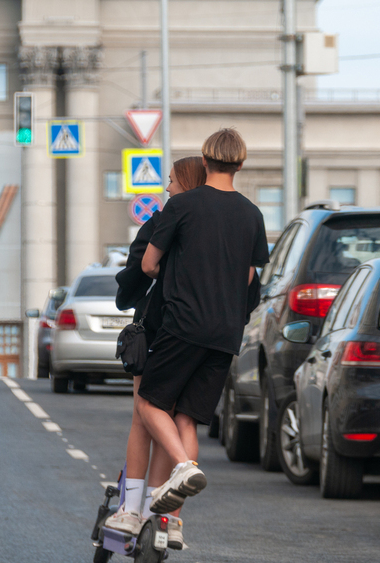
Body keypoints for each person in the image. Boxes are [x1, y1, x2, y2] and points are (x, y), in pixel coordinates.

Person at [135, 129, 268, 522]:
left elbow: (148, 265)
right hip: (227, 331)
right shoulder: (252, 214)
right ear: (240, 165)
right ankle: (171, 520)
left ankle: (184, 465)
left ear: (204, 160)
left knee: (149, 402)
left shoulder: (183, 206)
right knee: (187, 417)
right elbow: (247, 278)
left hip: (183, 324)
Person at [105, 156, 206, 547]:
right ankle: (160, 514)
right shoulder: (211, 227)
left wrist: (127, 296)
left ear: (185, 181)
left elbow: (136, 269)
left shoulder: (166, 220)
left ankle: (130, 510)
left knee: (143, 415)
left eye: (171, 180)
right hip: (201, 333)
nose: (166, 187)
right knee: (180, 419)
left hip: (158, 329)